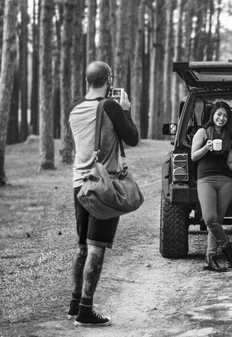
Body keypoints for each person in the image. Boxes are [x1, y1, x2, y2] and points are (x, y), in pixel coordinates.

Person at [67, 61, 139, 326]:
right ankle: (86, 311)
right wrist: (127, 111)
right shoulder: (111, 107)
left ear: (87, 81)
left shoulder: (74, 108)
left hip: (79, 184)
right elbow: (132, 138)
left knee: (82, 246)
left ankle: (75, 303)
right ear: (109, 80)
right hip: (103, 185)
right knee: (96, 248)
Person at [191, 101, 232, 272]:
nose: (221, 118)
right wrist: (206, 147)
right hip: (205, 179)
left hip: (225, 181)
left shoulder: (229, 136)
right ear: (213, 115)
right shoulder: (202, 132)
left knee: (217, 222)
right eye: (219, 114)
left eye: (225, 116)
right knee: (209, 219)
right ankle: (228, 246)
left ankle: (210, 257)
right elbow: (193, 156)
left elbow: (229, 162)